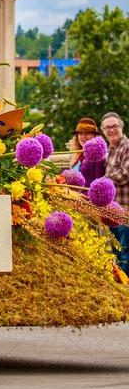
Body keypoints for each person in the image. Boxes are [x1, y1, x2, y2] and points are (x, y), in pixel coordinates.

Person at [102, 112, 129, 274]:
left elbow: (125, 174)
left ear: (121, 127)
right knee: (116, 253)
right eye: (107, 127)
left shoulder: (127, 147)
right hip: (112, 211)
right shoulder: (109, 149)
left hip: (126, 211)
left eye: (115, 126)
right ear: (103, 130)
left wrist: (103, 181)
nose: (111, 130)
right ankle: (119, 285)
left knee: (126, 253)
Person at [69, 117, 105, 185]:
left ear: (95, 136)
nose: (83, 136)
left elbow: (99, 184)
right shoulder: (80, 154)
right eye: (80, 133)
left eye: (87, 133)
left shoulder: (97, 156)